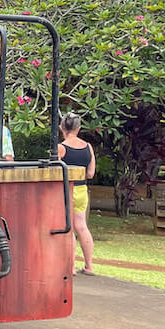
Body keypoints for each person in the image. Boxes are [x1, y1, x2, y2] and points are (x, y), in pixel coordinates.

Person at [58, 111, 95, 275]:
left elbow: (56, 171)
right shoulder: (88, 147)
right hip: (82, 190)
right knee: (82, 226)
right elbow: (90, 173)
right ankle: (89, 266)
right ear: (78, 128)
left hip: (66, 190)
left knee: (70, 228)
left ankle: (71, 266)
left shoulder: (61, 148)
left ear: (61, 128)